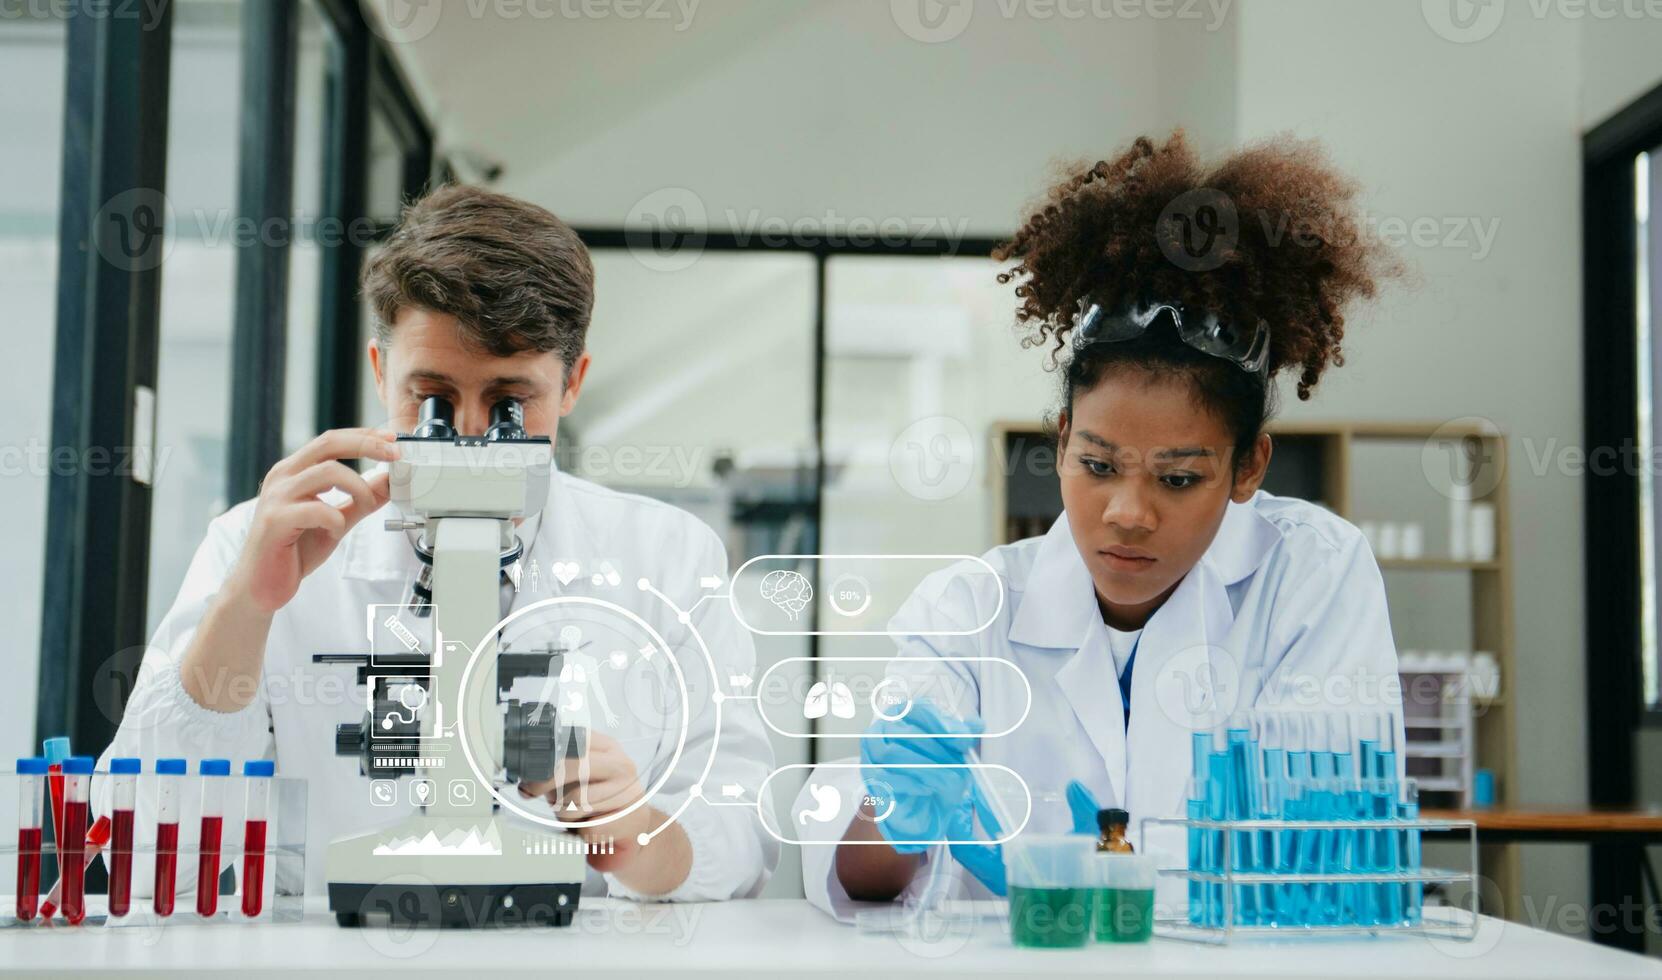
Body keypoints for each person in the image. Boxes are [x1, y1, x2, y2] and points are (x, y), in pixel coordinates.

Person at [97, 185, 777, 902]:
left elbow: (739, 840)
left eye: (511, 405)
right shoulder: (255, 540)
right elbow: (137, 853)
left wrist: (634, 834)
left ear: (572, 383)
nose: (475, 437)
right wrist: (245, 607)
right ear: (380, 370)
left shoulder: (668, 556)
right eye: (434, 403)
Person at [797, 130, 1405, 919]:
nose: (1128, 512)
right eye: (1097, 465)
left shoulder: (1310, 575)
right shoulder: (969, 610)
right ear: (1059, 444)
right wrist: (896, 810)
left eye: (1179, 478)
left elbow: (1325, 851)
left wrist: (1128, 885)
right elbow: (863, 879)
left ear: (1250, 467)